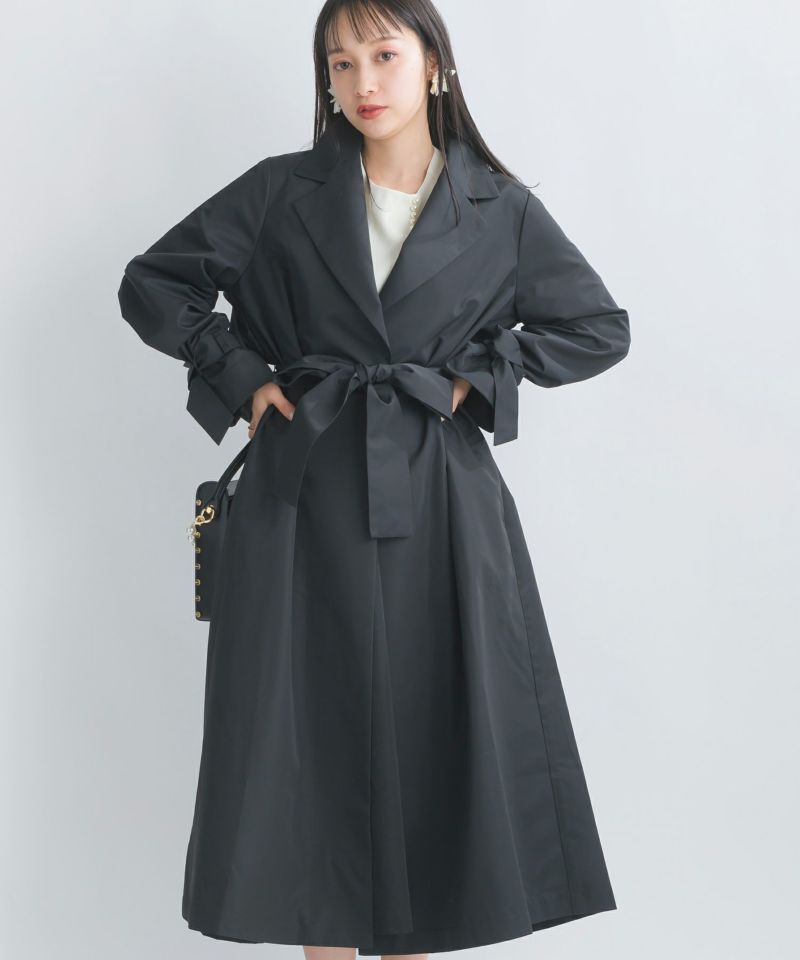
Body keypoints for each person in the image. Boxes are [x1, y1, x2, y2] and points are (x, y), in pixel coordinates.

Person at [117, 1, 631, 957]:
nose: (362, 82)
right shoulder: (280, 191)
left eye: (384, 55)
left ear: (434, 65)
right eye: (340, 62)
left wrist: (476, 379)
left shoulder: (499, 207)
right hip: (301, 496)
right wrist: (243, 376)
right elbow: (155, 282)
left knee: (431, 737)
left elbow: (598, 328)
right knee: (305, 743)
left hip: (441, 502)